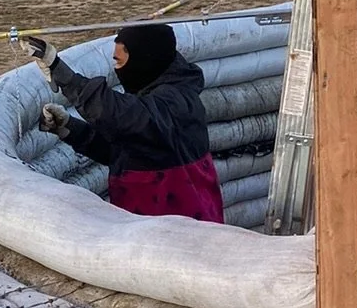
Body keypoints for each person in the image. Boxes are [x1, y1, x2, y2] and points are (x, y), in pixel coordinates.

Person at [25, 22, 225, 223]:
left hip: (184, 235)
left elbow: (121, 116)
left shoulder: (175, 104)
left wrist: (64, 76)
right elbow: (125, 151)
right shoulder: (157, 97)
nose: (117, 69)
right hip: (147, 229)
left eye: (120, 62)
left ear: (144, 61)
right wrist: (69, 129)